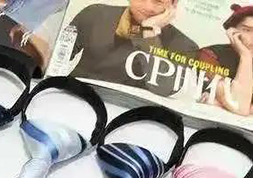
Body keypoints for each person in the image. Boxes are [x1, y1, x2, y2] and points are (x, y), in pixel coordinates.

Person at [68, 0, 198, 95]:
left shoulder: (185, 45)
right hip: (75, 95)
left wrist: (149, 35)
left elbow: (164, 89)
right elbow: (60, 50)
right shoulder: (96, 13)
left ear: (173, 4)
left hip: (134, 115)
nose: (148, 7)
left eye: (158, 1)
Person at [199, 4, 253, 116]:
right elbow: (239, 106)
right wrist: (246, 56)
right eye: (247, 30)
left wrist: (220, 103)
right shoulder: (209, 54)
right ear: (232, 31)